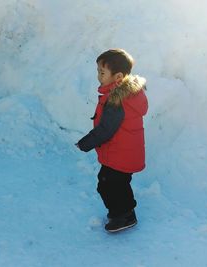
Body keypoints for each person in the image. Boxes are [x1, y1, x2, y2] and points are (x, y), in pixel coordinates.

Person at [76, 48, 148, 233]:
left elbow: (106, 129)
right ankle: (123, 211)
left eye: (102, 73)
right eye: (98, 71)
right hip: (124, 152)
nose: (98, 76)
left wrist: (85, 143)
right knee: (114, 183)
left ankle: (124, 215)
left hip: (120, 153)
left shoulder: (117, 100)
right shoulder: (126, 94)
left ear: (117, 77)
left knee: (109, 184)